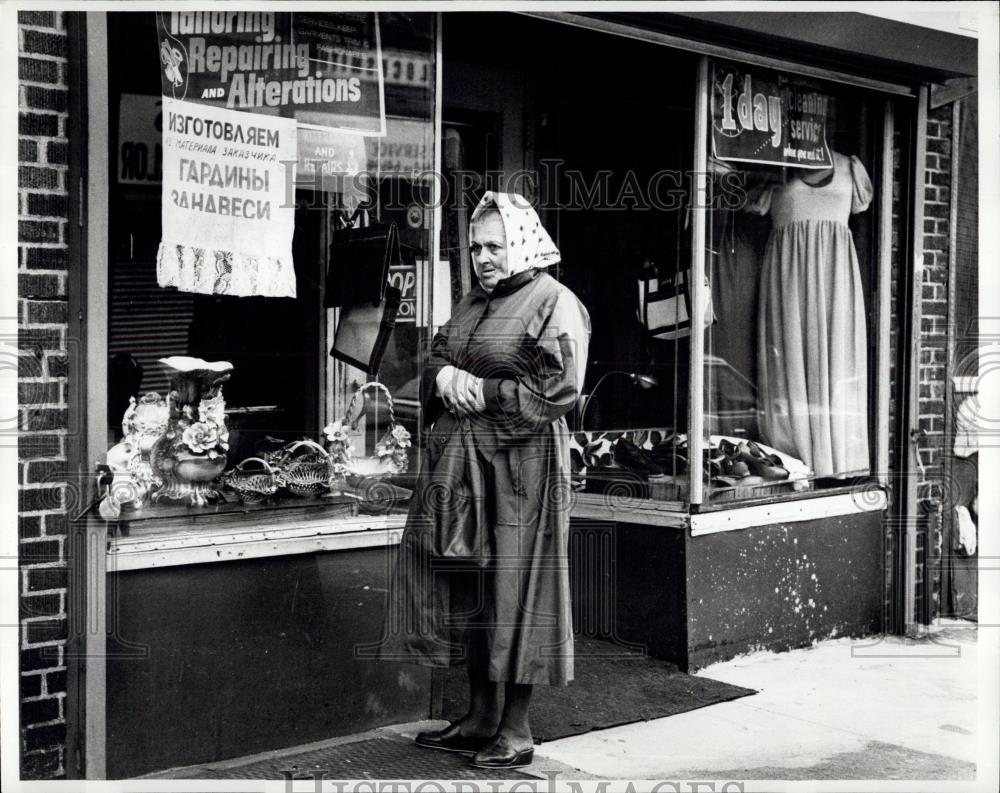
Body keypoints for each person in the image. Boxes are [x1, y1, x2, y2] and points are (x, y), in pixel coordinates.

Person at [379, 191, 590, 769]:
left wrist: (486, 390)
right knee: (469, 583)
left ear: (522, 241)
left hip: (524, 471)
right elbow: (435, 354)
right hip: (466, 468)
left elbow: (558, 390)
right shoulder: (475, 301)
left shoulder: (555, 301)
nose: (484, 257)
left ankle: (516, 729)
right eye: (475, 246)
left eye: (495, 245)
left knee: (517, 590)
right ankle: (477, 717)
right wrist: (443, 373)